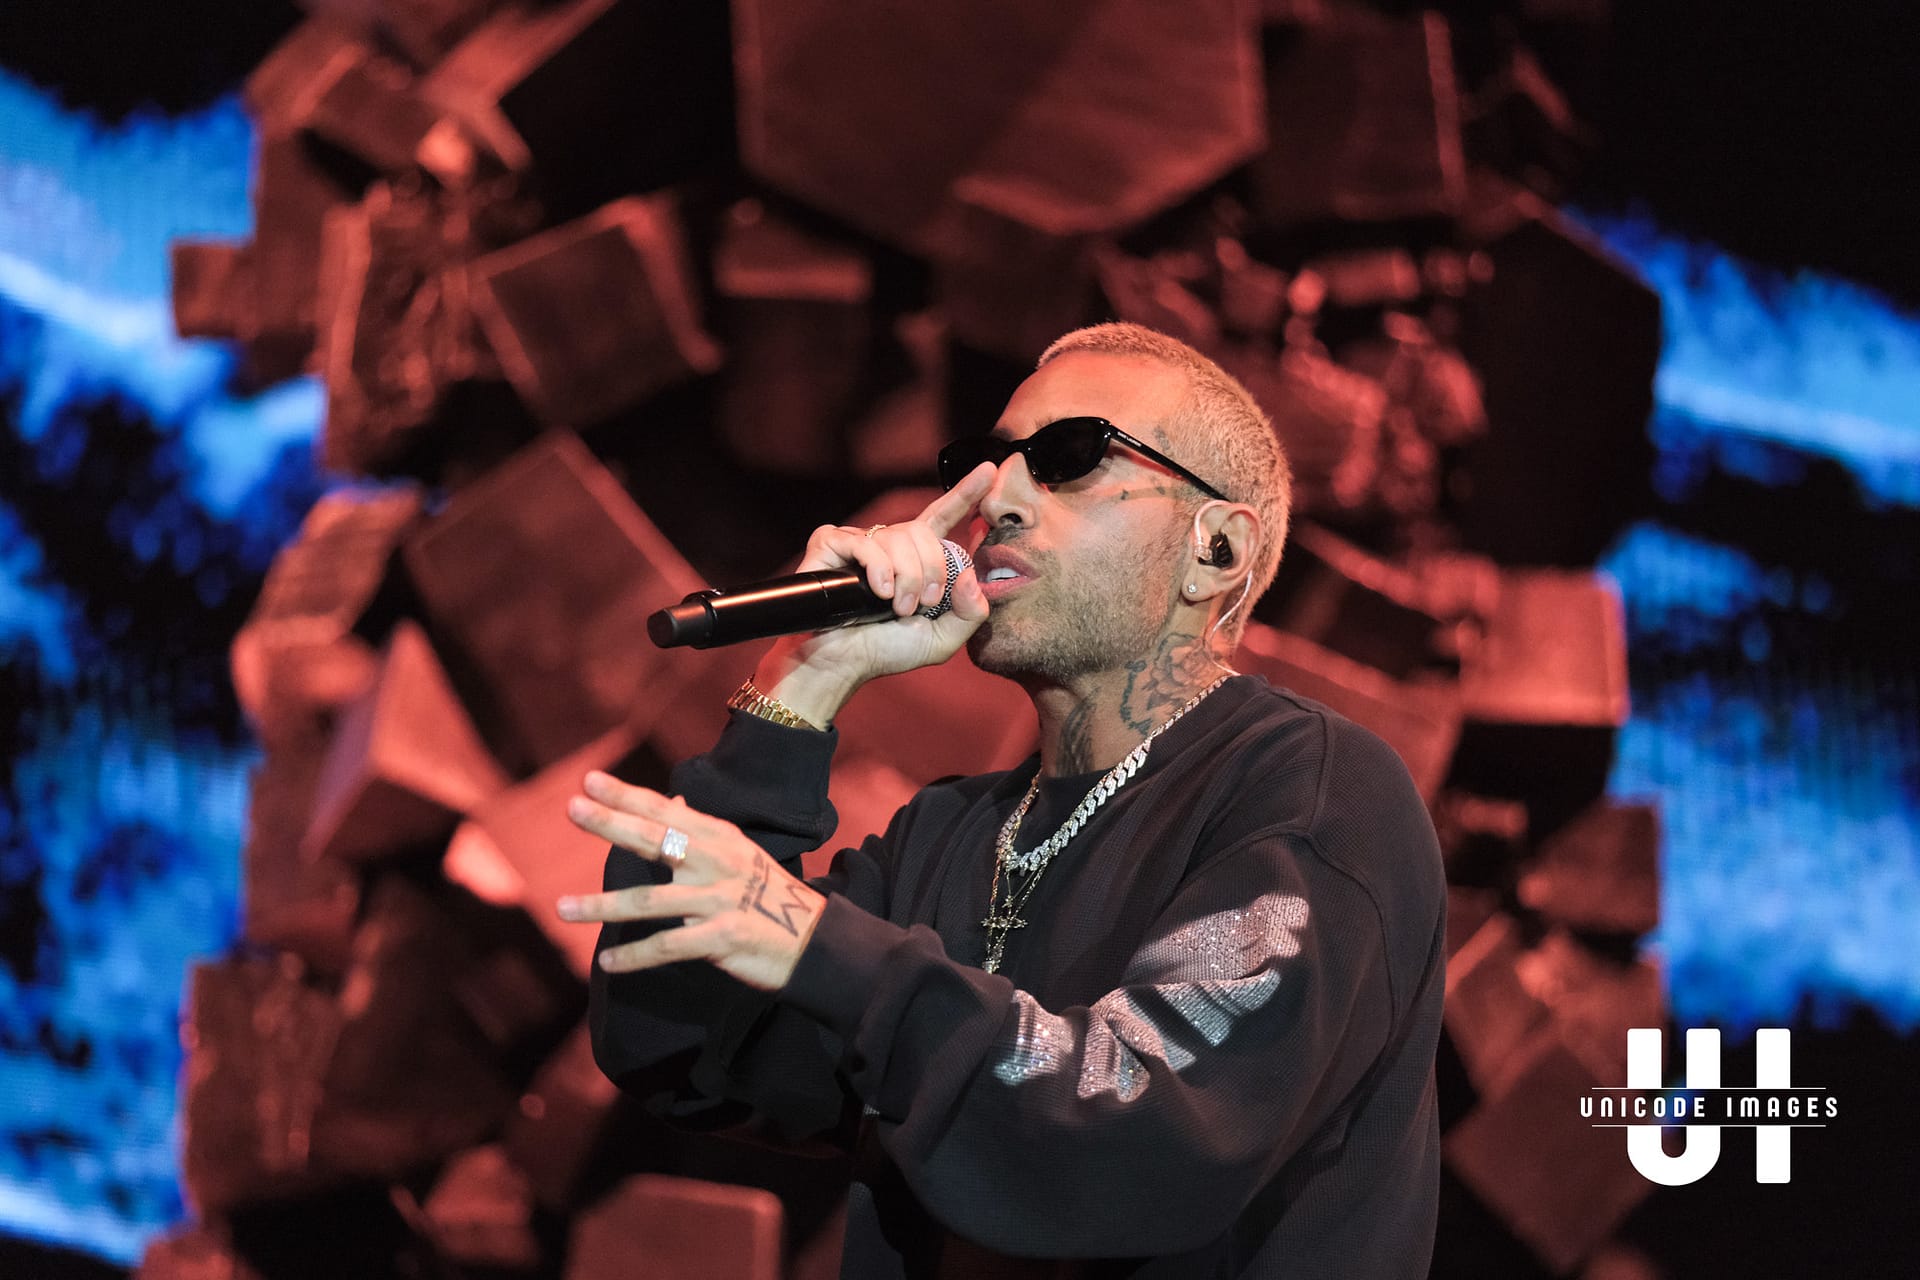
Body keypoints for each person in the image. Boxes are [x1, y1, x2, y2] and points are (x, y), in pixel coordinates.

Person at [557, 323, 1446, 1278]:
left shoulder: (1313, 790)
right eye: (984, 464)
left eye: (1069, 457)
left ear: (1217, 549)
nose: (998, 499)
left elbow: (1136, 1141)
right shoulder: (946, 835)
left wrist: (821, 947)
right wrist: (803, 679)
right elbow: (679, 1046)